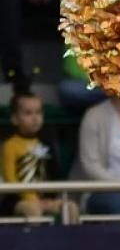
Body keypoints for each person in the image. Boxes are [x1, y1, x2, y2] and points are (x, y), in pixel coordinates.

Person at [1, 88, 75, 221]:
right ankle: (34, 242)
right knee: (32, 210)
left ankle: (72, 240)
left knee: (70, 207)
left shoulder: (46, 142)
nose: (35, 118)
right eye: (28, 113)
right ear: (14, 119)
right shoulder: (10, 145)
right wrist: (30, 197)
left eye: (39, 112)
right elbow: (10, 179)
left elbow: (55, 174)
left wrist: (49, 199)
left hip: (45, 199)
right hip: (17, 200)